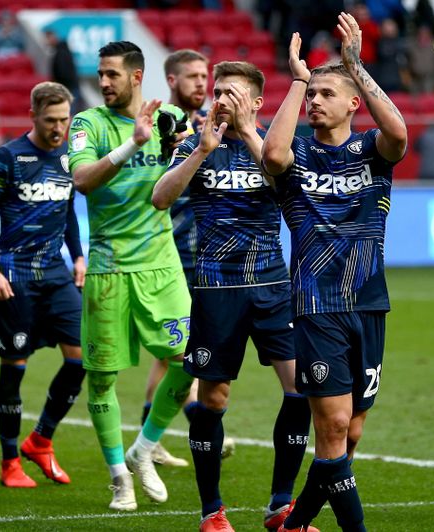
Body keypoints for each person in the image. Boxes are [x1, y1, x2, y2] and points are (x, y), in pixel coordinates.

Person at [262, 12, 408, 531]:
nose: (316, 101)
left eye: (327, 92)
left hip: (369, 300)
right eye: (312, 93)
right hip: (317, 304)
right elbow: (272, 155)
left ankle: (295, 522)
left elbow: (399, 133)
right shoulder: (297, 153)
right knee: (334, 426)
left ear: (353, 104)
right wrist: (299, 80)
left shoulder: (371, 151)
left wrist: (355, 66)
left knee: (350, 436)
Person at [152, 60, 313, 532]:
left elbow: (286, 186)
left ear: (257, 103)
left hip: (271, 287)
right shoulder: (195, 144)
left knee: (300, 389)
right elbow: (161, 198)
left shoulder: (277, 148)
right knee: (214, 399)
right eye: (217, 91)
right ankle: (212, 512)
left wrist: (246, 132)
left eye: (232, 93)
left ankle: (280, 506)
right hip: (216, 289)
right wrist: (201, 151)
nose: (219, 98)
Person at [68, 40, 194, 511]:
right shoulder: (89, 123)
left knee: (190, 361)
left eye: (112, 74)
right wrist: (133, 143)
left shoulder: (172, 121)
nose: (103, 82)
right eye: (100, 74)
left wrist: (183, 151)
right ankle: (119, 474)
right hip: (109, 268)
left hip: (162, 266)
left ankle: (144, 448)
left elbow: (183, 179)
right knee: (100, 381)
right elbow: (82, 182)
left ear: (137, 77)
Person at [0, 81, 87, 489]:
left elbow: (68, 211)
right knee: (15, 367)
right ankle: (8, 461)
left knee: (81, 358)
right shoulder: (8, 158)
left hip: (55, 275)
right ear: (33, 115)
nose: (58, 128)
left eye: (64, 120)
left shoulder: (71, 157)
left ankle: (41, 439)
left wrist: (79, 257)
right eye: (51, 120)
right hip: (14, 276)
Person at [138, 48, 210, 470]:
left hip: (199, 251)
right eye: (193, 76)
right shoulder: (168, 121)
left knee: (169, 354)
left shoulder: (203, 123)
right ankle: (199, 423)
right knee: (182, 350)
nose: (201, 83)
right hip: (171, 251)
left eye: (205, 75)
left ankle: (153, 437)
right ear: (171, 80)